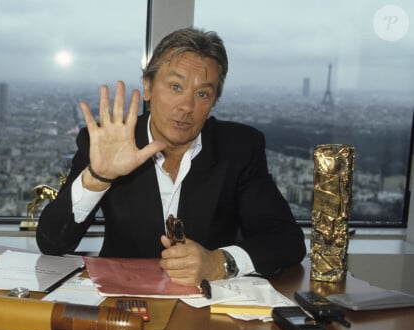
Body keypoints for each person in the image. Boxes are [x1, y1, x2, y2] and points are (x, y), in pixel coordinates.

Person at [36, 27, 306, 286]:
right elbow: (51, 243)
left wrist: (219, 263)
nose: (187, 106)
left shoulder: (239, 148)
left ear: (214, 101)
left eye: (202, 94)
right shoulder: (110, 143)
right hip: (122, 304)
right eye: (176, 87)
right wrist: (98, 178)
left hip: (206, 313)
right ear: (148, 87)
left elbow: (287, 241)